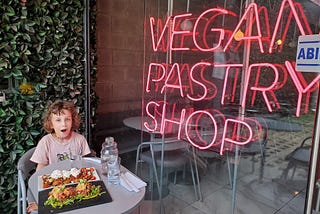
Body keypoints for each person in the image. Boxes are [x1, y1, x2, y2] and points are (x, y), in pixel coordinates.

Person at [27, 100, 92, 213]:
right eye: (58, 120)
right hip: (53, 187)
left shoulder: (80, 139)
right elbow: (39, 171)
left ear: (73, 121)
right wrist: (38, 198)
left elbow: (86, 163)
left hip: (75, 184)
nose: (64, 124)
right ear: (51, 124)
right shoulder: (45, 142)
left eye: (67, 119)